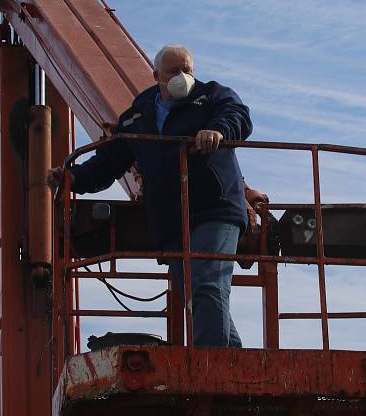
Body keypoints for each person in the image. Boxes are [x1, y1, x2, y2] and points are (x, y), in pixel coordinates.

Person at [47, 44, 252, 347]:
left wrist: (218, 131)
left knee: (207, 286)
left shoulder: (212, 96)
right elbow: (108, 161)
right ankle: (235, 371)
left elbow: (238, 115)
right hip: (171, 222)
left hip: (215, 211)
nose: (183, 76)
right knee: (199, 298)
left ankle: (213, 370)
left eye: (188, 70)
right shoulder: (137, 116)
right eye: (174, 71)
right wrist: (72, 178)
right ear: (157, 76)